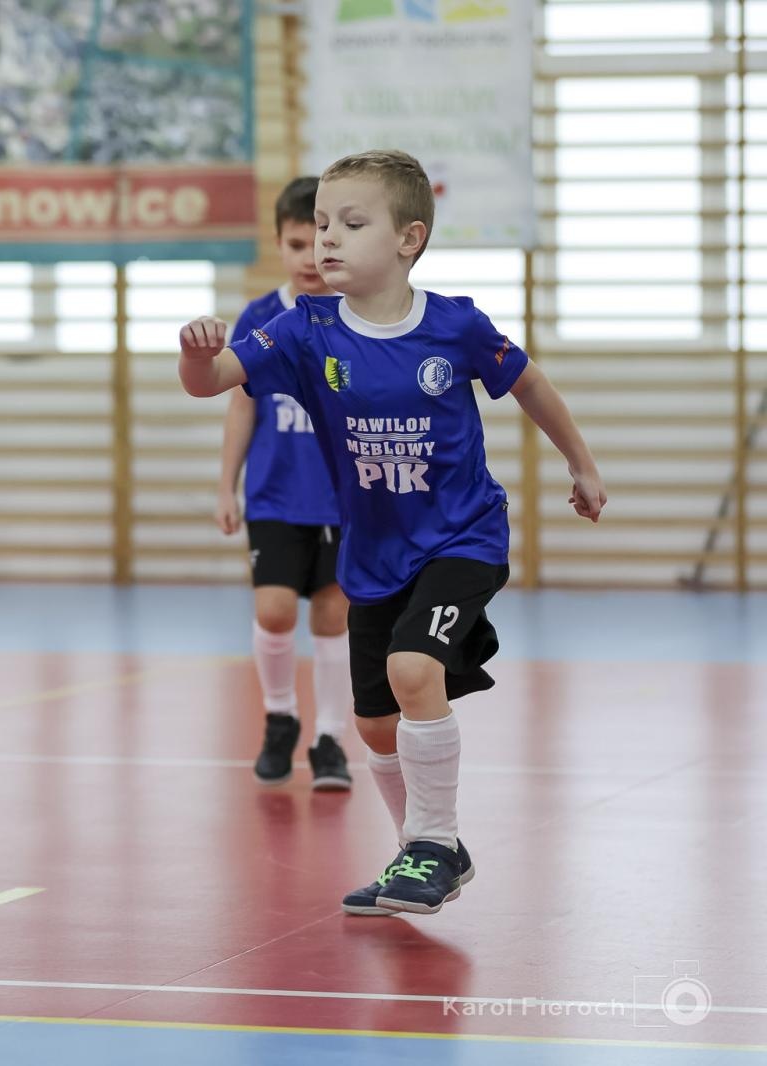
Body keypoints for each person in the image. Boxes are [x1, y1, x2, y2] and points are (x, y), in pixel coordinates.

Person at [178, 149, 605, 915]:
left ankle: (434, 843)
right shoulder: (301, 329)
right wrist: (194, 356)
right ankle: (421, 849)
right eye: (320, 225)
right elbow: (212, 383)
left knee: (413, 670)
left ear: (410, 239)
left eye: (351, 223)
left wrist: (581, 463)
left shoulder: (453, 325)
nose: (327, 239)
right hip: (373, 553)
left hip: (460, 536)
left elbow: (531, 383)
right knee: (375, 723)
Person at [216, 177, 351, 791]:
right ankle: (279, 718)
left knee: (332, 617)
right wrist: (227, 486)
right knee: (272, 611)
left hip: (344, 500)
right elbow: (241, 406)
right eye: (295, 245)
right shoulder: (262, 318)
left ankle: (330, 738)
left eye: (318, 244)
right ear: (278, 244)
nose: (308, 258)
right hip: (274, 494)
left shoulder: (356, 315)